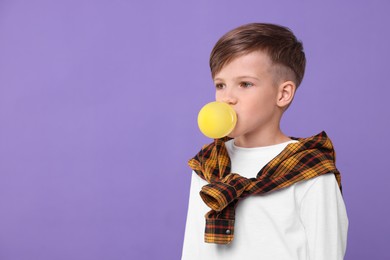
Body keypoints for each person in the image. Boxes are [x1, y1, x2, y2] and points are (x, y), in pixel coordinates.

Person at [181, 23, 348, 260]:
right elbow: (193, 251)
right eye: (220, 85)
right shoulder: (208, 165)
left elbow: (326, 253)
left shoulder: (311, 171)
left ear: (283, 94)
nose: (227, 98)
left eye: (245, 84)